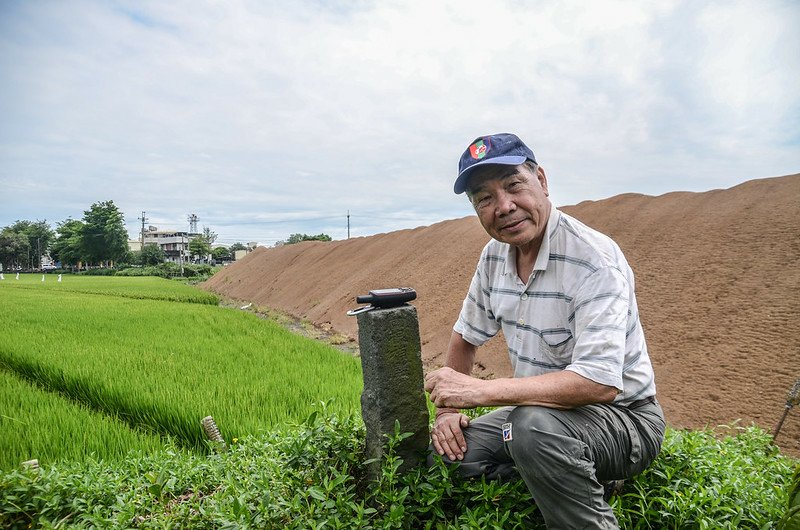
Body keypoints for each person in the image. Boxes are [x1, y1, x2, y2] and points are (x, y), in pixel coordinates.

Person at [424, 133, 665, 529]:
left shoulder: (593, 260)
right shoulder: (494, 256)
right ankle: (579, 476)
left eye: (514, 184)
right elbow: (465, 336)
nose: (503, 206)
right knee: (451, 455)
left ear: (542, 180)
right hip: (541, 417)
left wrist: (479, 392)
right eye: (484, 198)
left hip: (624, 419)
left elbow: (599, 384)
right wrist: (449, 411)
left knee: (531, 429)